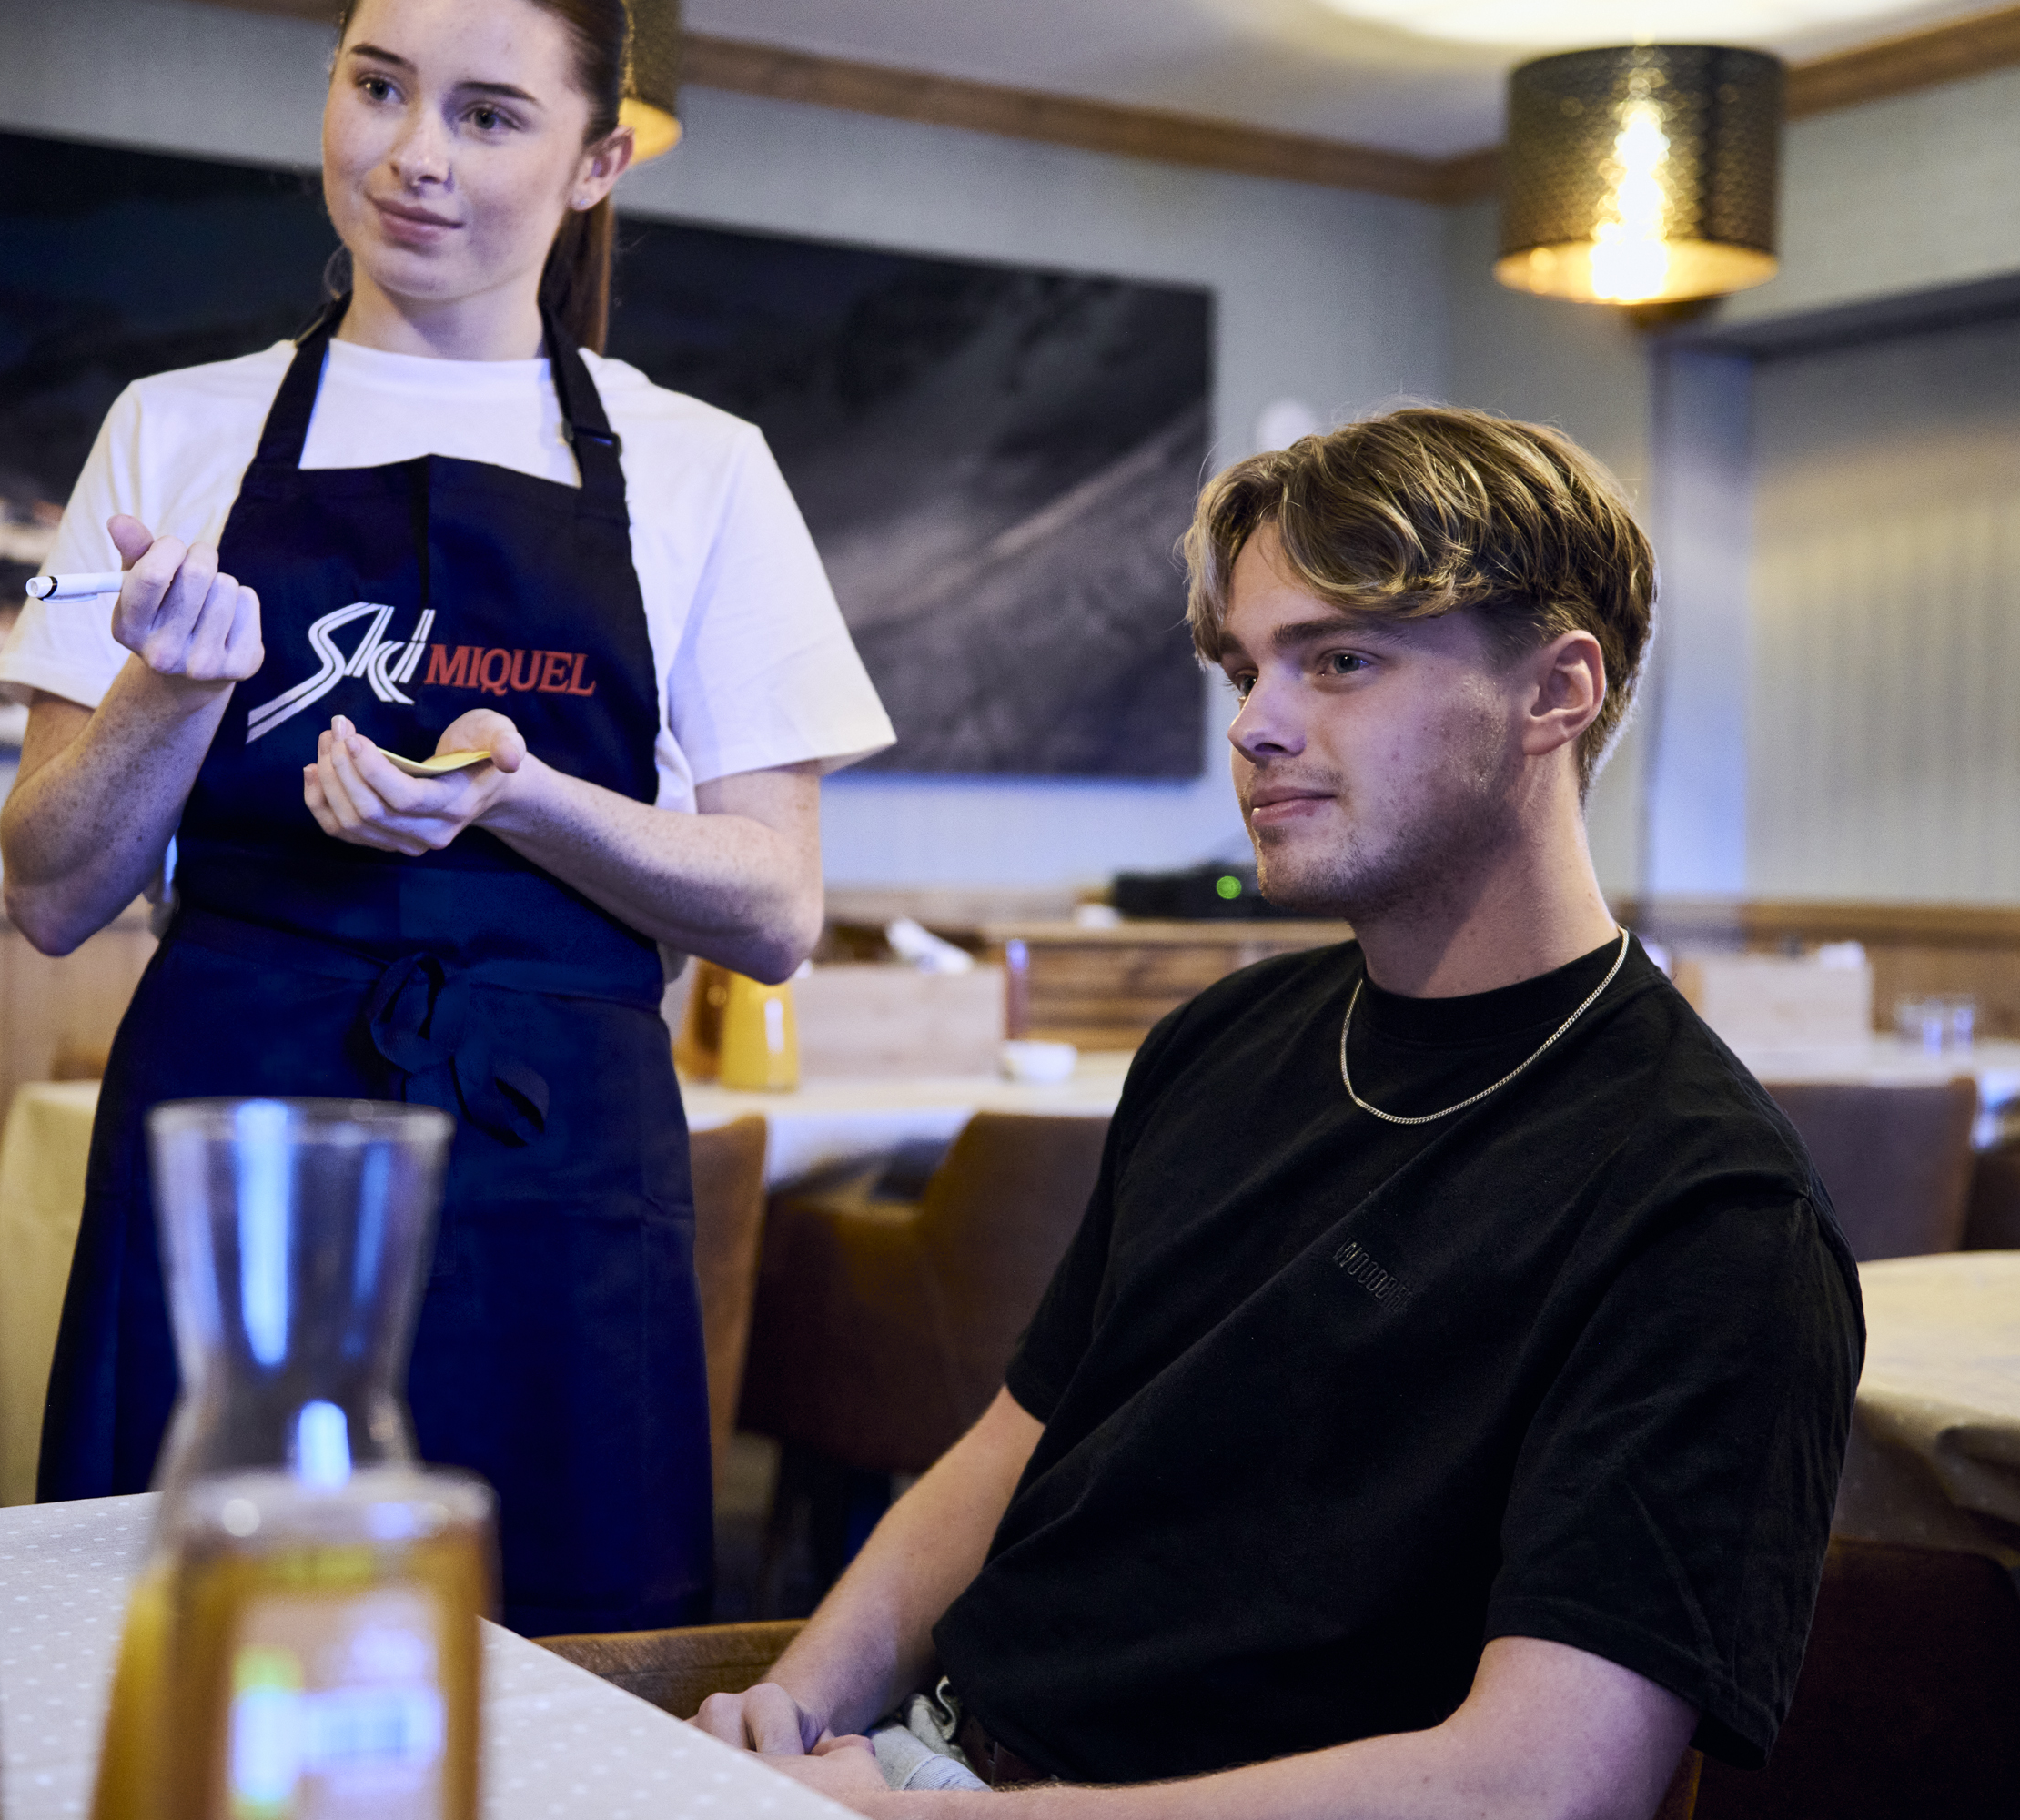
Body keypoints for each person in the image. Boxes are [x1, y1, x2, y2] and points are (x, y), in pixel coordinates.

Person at [693, 407, 1863, 1815]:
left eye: (1342, 661)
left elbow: (1541, 1787)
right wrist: (795, 1701)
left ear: (1557, 693)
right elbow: (1016, 1445)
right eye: (1249, 668)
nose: (1255, 725)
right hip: (923, 1764)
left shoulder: (1710, 1212)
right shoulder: (1220, 1042)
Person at [0, 0, 890, 1636]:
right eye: (379, 87)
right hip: (231, 1130)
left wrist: (529, 800)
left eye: (488, 115)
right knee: (194, 1639)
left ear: (598, 160)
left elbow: (775, 911)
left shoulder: (703, 468)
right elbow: (52, 889)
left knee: (562, 1636)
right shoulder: (172, 429)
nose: (414, 155)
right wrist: (173, 695)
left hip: (556, 1158)